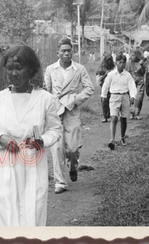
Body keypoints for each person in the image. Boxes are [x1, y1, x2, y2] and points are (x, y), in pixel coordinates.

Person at [0, 45, 62, 226]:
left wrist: (42, 141)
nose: (13, 73)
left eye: (19, 68)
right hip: (3, 167)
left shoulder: (44, 99)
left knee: (32, 213)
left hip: (32, 166)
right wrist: (0, 138)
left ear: (31, 70)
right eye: (9, 69)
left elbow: (55, 130)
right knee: (3, 216)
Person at [44, 37, 94, 194]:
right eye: (63, 51)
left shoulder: (79, 69)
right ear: (58, 52)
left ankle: (73, 165)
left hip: (72, 111)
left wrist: (74, 99)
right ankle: (60, 182)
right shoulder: (50, 69)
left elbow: (89, 88)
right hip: (55, 112)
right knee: (56, 148)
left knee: (72, 148)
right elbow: (46, 91)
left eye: (69, 50)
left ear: (72, 52)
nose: (66, 53)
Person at [101, 54, 136, 149]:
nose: (121, 64)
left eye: (123, 63)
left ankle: (122, 137)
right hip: (114, 97)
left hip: (124, 96)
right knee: (114, 118)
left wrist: (132, 96)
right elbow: (105, 85)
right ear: (116, 63)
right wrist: (103, 95)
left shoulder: (127, 75)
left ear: (125, 63)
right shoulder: (111, 74)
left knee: (124, 118)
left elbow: (132, 86)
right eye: (119, 62)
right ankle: (112, 139)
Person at [126, 50, 147, 120]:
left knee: (139, 97)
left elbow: (143, 73)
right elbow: (127, 72)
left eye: (134, 55)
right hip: (131, 82)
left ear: (137, 56)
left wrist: (141, 65)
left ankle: (137, 113)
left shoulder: (141, 62)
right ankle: (132, 113)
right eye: (132, 55)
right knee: (132, 97)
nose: (132, 57)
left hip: (140, 81)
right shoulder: (129, 63)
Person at [96, 53, 115, 123]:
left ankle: (111, 115)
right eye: (108, 60)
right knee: (104, 101)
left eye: (110, 60)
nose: (109, 62)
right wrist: (105, 75)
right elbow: (98, 79)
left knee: (112, 102)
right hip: (104, 87)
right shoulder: (102, 68)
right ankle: (105, 117)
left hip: (113, 87)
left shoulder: (114, 67)